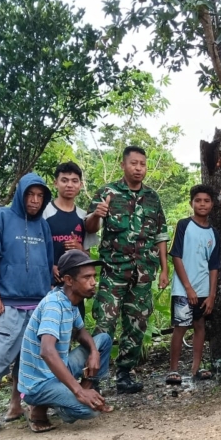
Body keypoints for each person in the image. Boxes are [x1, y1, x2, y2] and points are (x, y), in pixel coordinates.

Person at [0, 173, 54, 440]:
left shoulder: (43, 226)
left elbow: (49, 262)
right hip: (7, 303)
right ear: (20, 195)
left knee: (27, 360)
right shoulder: (2, 218)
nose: (34, 201)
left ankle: (17, 406)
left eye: (39, 196)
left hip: (38, 304)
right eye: (30, 195)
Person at [84, 146, 169, 394]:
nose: (138, 168)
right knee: (105, 323)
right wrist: (97, 214)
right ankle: (95, 378)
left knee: (137, 324)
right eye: (133, 163)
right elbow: (89, 228)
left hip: (143, 273)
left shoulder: (152, 197)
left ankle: (124, 374)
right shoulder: (107, 193)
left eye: (142, 164)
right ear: (123, 165)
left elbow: (161, 235)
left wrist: (164, 269)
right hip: (114, 272)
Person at [18, 251, 113, 432]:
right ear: (69, 280)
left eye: (94, 276)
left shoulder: (69, 302)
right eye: (87, 277)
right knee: (89, 411)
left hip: (57, 370)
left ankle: (82, 390)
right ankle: (48, 406)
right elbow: (46, 351)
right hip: (39, 383)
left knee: (103, 340)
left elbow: (81, 332)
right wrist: (78, 391)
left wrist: (93, 352)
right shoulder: (54, 305)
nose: (94, 282)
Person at [166, 185, 221, 385]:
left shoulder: (214, 233)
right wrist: (188, 288)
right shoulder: (183, 225)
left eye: (206, 201)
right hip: (183, 289)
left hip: (203, 289)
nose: (202, 204)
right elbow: (176, 256)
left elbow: (214, 265)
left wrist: (211, 294)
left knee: (200, 326)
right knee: (180, 326)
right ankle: (173, 370)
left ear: (212, 204)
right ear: (191, 203)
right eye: (198, 200)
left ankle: (196, 368)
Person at [42, 161, 99, 315]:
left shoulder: (84, 217)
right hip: (49, 286)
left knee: (73, 331)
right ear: (55, 183)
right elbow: (34, 249)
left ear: (80, 185)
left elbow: (88, 256)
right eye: (64, 180)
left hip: (75, 289)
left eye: (74, 181)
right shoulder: (44, 213)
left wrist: (78, 248)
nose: (69, 185)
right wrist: (50, 266)